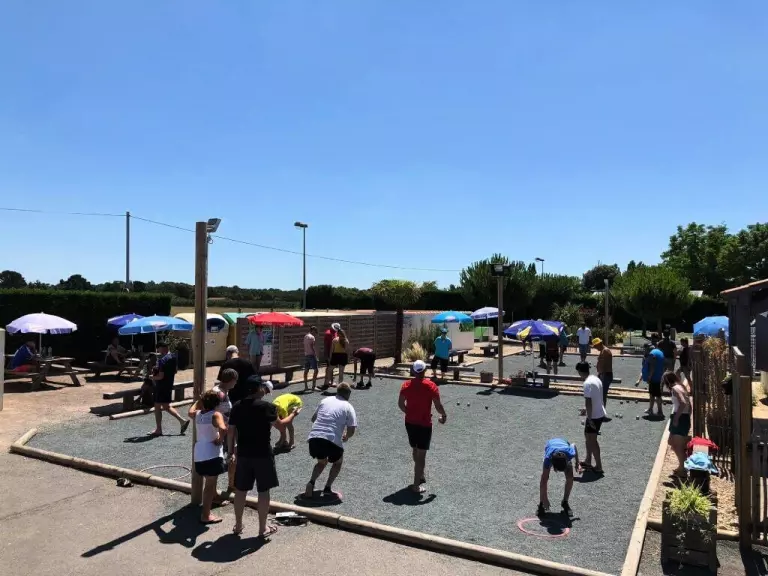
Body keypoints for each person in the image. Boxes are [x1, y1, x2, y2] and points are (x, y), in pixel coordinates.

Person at [228, 377, 300, 538]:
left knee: (240, 490)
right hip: (263, 453)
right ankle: (262, 528)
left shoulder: (237, 406)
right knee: (263, 490)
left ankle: (238, 525)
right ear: (258, 388)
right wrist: (293, 414)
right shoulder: (267, 407)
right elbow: (281, 426)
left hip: (244, 453)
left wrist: (231, 451)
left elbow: (231, 431)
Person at [399, 360, 447, 493]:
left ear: (414, 371)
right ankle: (416, 485)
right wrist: (444, 415)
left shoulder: (406, 385)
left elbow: (401, 404)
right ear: (425, 371)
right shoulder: (431, 386)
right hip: (424, 424)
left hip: (410, 423)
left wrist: (409, 413)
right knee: (421, 455)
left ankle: (420, 474)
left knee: (415, 449)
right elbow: (438, 405)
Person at [304, 382, 358, 498]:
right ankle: (327, 488)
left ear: (337, 391)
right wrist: (346, 436)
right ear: (348, 394)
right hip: (331, 439)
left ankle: (311, 483)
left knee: (321, 462)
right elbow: (352, 429)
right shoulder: (348, 406)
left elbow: (313, 419)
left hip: (315, 437)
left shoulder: (325, 400)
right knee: (338, 462)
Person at [189, 390, 228, 524]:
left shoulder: (197, 414)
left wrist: (198, 401)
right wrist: (220, 439)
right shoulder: (215, 414)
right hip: (212, 453)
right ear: (217, 403)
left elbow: (190, 411)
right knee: (209, 486)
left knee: (210, 481)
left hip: (199, 453)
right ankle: (206, 514)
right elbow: (223, 428)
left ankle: (214, 498)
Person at [149, 342, 189, 437]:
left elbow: (161, 376)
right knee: (165, 406)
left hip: (161, 386)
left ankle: (159, 429)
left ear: (162, 348)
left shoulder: (162, 360)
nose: (158, 351)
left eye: (158, 349)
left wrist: (152, 377)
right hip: (169, 384)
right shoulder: (173, 357)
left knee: (158, 406)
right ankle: (181, 421)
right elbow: (175, 371)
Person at [538, 438, 582, 517]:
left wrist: (577, 463)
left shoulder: (569, 453)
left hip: (564, 444)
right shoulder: (548, 458)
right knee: (544, 478)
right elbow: (543, 482)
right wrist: (545, 499)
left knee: (570, 477)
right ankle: (541, 504)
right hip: (550, 445)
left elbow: (573, 445)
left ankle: (565, 502)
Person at [578, 361, 606, 474]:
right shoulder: (595, 378)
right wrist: (586, 410)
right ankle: (588, 460)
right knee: (588, 436)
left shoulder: (587, 383)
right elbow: (597, 397)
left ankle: (599, 466)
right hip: (598, 412)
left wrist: (589, 418)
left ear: (580, 372)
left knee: (592, 441)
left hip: (594, 416)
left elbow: (588, 401)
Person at [213, 368, 237, 494]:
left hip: (227, 431)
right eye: (235, 381)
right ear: (231, 380)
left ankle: (231, 485)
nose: (236, 383)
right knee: (218, 460)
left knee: (231, 457)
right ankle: (213, 492)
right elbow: (213, 412)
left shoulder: (223, 392)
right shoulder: (219, 393)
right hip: (220, 432)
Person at [664, 371, 692, 478]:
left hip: (679, 418)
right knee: (671, 441)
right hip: (682, 417)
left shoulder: (675, 389)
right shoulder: (681, 387)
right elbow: (689, 404)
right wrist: (687, 415)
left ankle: (682, 468)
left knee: (678, 446)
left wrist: (677, 418)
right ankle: (681, 466)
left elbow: (683, 403)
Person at [637, 344, 665, 417]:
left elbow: (652, 368)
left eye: (645, 349)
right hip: (658, 376)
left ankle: (660, 412)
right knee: (652, 394)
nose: (644, 351)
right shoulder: (657, 352)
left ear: (648, 349)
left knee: (657, 395)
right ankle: (650, 409)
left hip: (655, 378)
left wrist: (649, 378)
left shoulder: (652, 355)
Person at [593, 338, 613, 406]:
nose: (595, 348)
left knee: (603, 394)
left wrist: (601, 375)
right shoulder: (602, 351)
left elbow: (605, 364)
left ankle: (602, 410)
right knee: (600, 393)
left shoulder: (605, 351)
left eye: (595, 346)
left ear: (599, 344)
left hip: (605, 375)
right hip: (603, 375)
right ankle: (600, 409)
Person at [303, 326, 319, 391]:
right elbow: (313, 347)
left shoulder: (305, 336)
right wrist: (316, 356)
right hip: (311, 355)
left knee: (306, 370)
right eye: (315, 331)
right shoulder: (312, 337)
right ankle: (313, 386)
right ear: (313, 330)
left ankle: (306, 386)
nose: (315, 333)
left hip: (306, 355)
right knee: (316, 370)